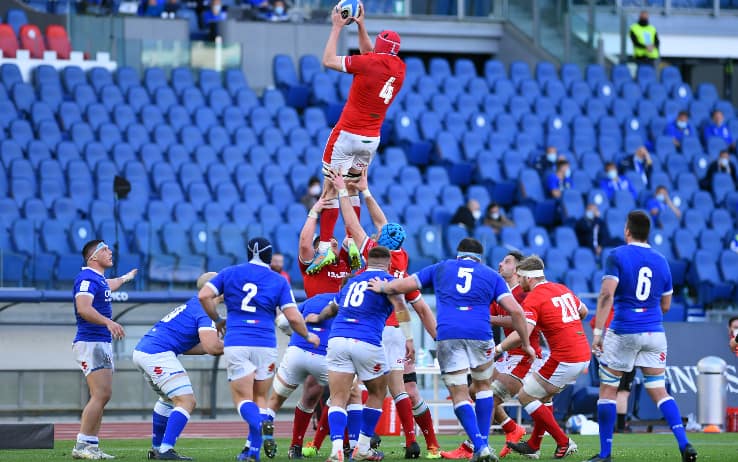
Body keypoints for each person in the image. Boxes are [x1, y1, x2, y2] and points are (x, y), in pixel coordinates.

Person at [368, 237, 535, 462]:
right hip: (481, 335)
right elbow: (516, 312)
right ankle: (483, 444)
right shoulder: (490, 275)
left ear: (459, 254)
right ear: (479, 257)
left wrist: (383, 286)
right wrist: (525, 343)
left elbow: (402, 285)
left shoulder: (442, 267)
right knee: (484, 388)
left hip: (449, 336)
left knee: (459, 394)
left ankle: (480, 446)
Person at [327, 168, 441, 459]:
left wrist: (345, 191)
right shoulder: (401, 262)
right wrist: (431, 338)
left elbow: (353, 224)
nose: (376, 231)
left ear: (377, 246)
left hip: (366, 331)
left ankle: (340, 446)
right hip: (392, 332)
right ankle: (416, 441)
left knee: (344, 393)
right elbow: (420, 307)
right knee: (400, 389)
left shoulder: (367, 258)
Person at [587, 210, 697, 462]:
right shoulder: (661, 260)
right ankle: (684, 443)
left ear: (627, 230)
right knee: (659, 390)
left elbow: (606, 295)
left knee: (608, 391)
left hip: (624, 329)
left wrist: (597, 332)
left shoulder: (617, 255)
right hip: (654, 332)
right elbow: (667, 305)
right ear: (647, 232)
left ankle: (605, 454)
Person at [198, 237, 320, 461]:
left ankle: (262, 427)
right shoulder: (278, 280)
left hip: (237, 341)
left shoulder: (229, 272)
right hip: (265, 343)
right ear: (269, 255)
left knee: (242, 399)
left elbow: (204, 295)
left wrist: (217, 319)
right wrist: (307, 335)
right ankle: (253, 451)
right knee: (260, 398)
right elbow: (292, 316)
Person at [307, 4, 406, 275]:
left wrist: (337, 27)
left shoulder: (368, 62)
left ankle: (326, 246)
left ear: (379, 46)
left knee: (330, 187)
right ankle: (351, 241)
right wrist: (361, 26)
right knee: (352, 187)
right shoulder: (399, 68)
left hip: (347, 133)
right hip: (371, 139)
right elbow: (371, 54)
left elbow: (328, 60)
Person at [313, 246, 412, 462]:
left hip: (338, 339)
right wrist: (409, 338)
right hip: (366, 340)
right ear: (388, 264)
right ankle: (364, 447)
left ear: (367, 261)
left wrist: (317, 319)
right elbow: (401, 309)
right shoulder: (388, 282)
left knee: (338, 397)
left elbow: (332, 308)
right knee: (378, 392)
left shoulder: (352, 282)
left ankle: (336, 449)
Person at [502, 255, 588, 460]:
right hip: (581, 353)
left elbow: (524, 331)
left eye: (520, 277)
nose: (519, 281)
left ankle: (563, 441)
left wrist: (499, 348)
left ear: (528, 278)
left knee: (525, 396)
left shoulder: (534, 297)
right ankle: (534, 445)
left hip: (565, 357)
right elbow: (583, 311)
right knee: (543, 397)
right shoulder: (562, 288)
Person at [133, 272, 224, 461]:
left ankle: (157, 448)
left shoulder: (194, 304)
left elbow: (194, 347)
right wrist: (236, 344)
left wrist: (217, 344)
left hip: (145, 351)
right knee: (186, 401)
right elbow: (212, 347)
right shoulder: (205, 310)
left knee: (168, 400)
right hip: (157, 353)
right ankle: (166, 450)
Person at [72, 240, 137, 460]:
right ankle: (82, 446)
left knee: (103, 395)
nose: (110, 252)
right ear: (93, 257)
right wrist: (109, 322)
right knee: (100, 394)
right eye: (105, 250)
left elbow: (109, 284)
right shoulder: (87, 278)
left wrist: (126, 278)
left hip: (99, 341)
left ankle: (91, 445)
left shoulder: (97, 279)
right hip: (91, 341)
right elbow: (83, 308)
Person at [265, 291, 337, 459]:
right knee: (346, 396)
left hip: (297, 351)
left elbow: (283, 322)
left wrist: (298, 334)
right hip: (324, 355)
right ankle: (352, 446)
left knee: (276, 399)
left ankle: (260, 436)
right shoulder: (347, 300)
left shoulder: (311, 301)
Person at [588, 310, 636, 434]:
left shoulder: (607, 309)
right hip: (629, 349)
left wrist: (600, 338)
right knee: (623, 392)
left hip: (610, 351)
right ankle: (620, 426)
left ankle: (607, 427)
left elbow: (594, 324)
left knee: (608, 391)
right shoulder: (630, 307)